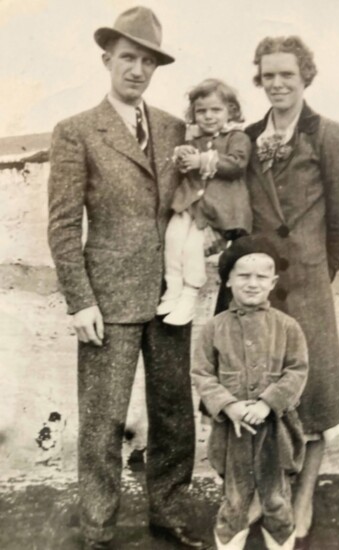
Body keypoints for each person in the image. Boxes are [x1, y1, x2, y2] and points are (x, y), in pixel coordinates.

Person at [48, 7, 204, 549]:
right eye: (128, 58)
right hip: (107, 301)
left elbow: (190, 205)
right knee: (102, 423)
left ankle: (168, 511)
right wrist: (79, 301)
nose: (137, 70)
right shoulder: (75, 132)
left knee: (174, 416)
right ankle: (96, 527)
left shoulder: (173, 127)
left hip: (170, 297)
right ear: (107, 60)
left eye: (147, 62)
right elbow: (64, 224)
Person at [244, 36, 339, 548]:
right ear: (259, 78)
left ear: (305, 76)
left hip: (308, 286)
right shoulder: (245, 138)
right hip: (258, 290)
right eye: (268, 74)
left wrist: (316, 273)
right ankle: (261, 493)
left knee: (312, 400)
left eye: (287, 74)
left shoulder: (328, 135)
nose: (277, 83)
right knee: (257, 396)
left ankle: (304, 496)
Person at [192, 235, 309, 550]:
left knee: (276, 496)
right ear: (228, 280)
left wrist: (268, 403)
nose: (252, 283)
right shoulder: (213, 328)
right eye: (243, 275)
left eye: (261, 276)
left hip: (276, 429)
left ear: (273, 282)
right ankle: (230, 540)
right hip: (232, 431)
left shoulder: (287, 327)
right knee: (234, 496)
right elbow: (202, 373)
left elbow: (297, 371)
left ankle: (280, 540)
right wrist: (228, 406)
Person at [156, 78, 252, 325]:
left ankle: (189, 298)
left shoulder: (237, 137)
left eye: (216, 110)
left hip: (215, 209)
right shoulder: (194, 139)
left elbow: (237, 163)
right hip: (190, 203)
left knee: (191, 249)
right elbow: (185, 166)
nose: (208, 116)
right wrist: (184, 156)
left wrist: (204, 161)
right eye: (201, 111)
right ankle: (174, 288)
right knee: (173, 239)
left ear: (230, 111)